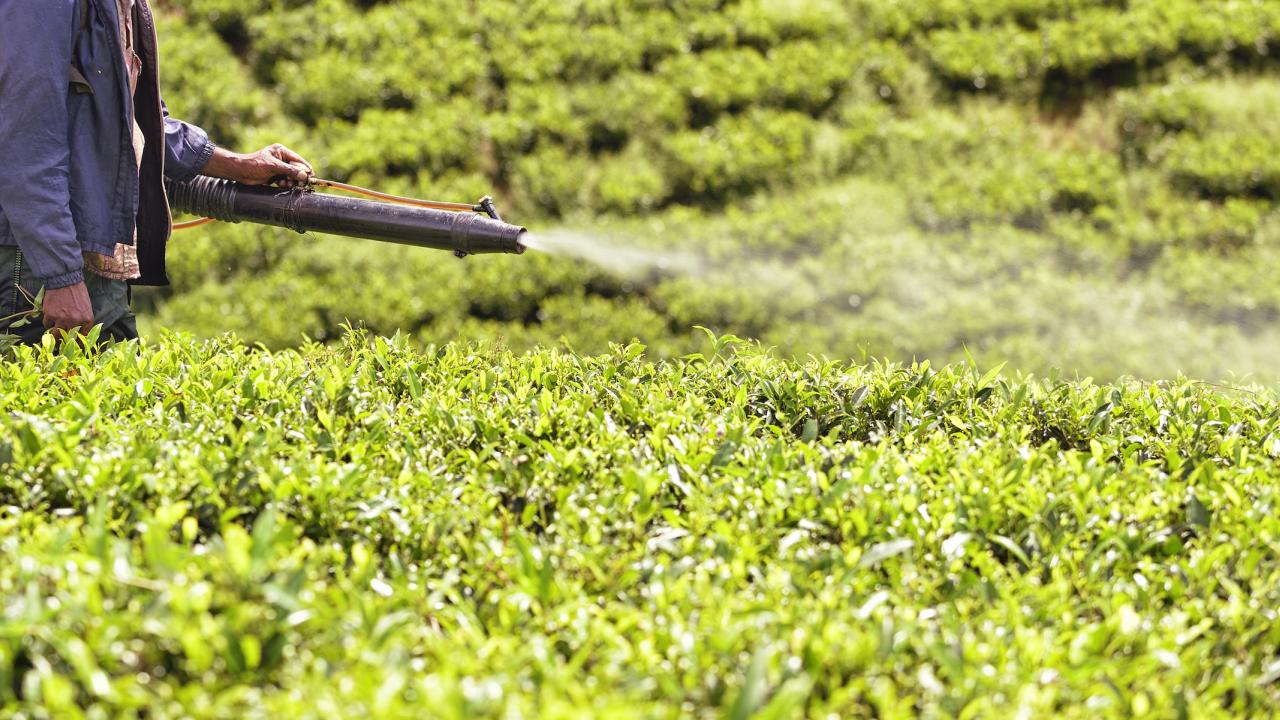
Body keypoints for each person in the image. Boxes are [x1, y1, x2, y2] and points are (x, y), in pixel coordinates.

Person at [0, 0, 312, 344]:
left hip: (82, 258)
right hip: (33, 261)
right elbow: (25, 143)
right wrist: (60, 276)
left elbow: (134, 121)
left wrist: (237, 165)